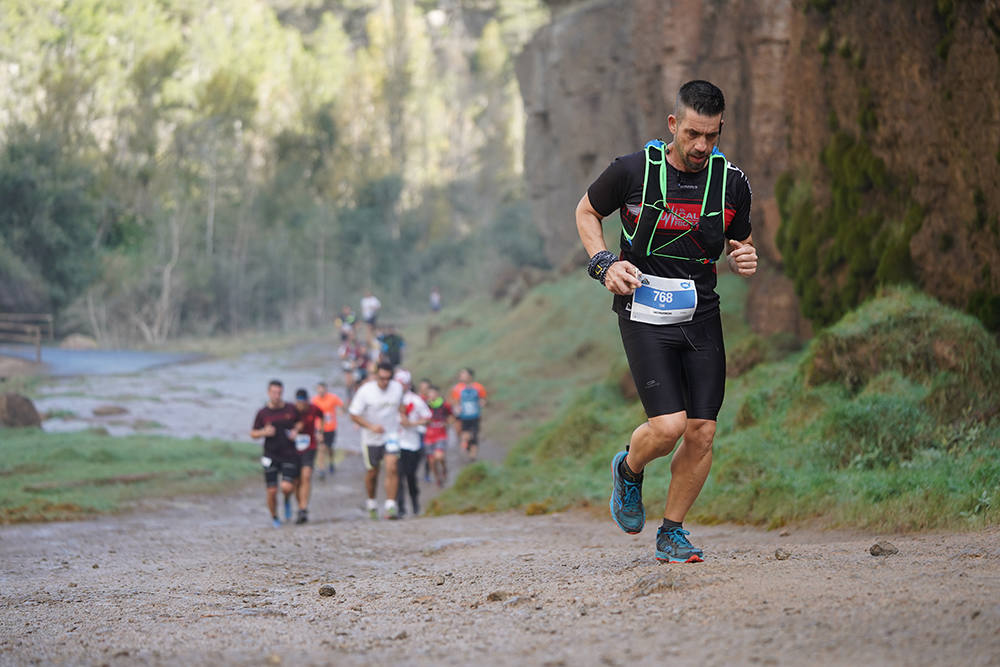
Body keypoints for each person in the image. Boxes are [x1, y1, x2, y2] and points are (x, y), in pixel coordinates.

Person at [575, 80, 757, 563]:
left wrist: (743, 256)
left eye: (711, 136)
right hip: (643, 307)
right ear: (673, 125)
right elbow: (587, 211)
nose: (701, 146)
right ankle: (630, 470)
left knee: (702, 430)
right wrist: (604, 263)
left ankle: (672, 532)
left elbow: (741, 239)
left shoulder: (732, 182)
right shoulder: (631, 170)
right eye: (693, 133)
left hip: (701, 312)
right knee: (670, 425)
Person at [348, 361, 405, 520]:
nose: (385, 382)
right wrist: (371, 426)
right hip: (371, 438)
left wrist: (403, 420)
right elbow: (353, 415)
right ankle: (372, 502)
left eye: (388, 378)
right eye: (381, 378)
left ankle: (390, 505)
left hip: (391, 435)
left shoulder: (397, 388)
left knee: (392, 466)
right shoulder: (366, 391)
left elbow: (401, 407)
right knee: (373, 472)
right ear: (376, 375)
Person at [250, 380, 301, 527]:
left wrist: (296, 430)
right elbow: (253, 433)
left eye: (279, 393)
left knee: (286, 487)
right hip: (270, 455)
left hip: (289, 454)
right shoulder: (262, 413)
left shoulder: (290, 408)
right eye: (274, 393)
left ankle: (286, 500)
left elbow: (300, 422)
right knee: (271, 491)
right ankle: (274, 517)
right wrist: (263, 432)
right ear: (268, 393)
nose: (277, 396)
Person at [395, 369, 431, 517]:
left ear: (408, 384)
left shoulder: (415, 400)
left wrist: (412, 423)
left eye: (402, 384)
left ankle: (415, 504)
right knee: (397, 475)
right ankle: (400, 508)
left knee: (410, 476)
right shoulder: (390, 400)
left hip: (413, 444)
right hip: (396, 443)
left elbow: (428, 417)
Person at [292, 388, 323, 524]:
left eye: (303, 402)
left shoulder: (314, 409)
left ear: (307, 401)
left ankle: (303, 508)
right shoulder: (291, 411)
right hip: (293, 449)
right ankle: (300, 506)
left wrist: (319, 431)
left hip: (309, 446)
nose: (301, 405)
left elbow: (321, 415)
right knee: (296, 481)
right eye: (299, 402)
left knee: (306, 475)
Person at [450, 368, 487, 462]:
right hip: (463, 417)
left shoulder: (478, 387)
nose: (461, 375)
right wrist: (456, 410)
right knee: (465, 435)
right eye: (461, 373)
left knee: (474, 437)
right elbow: (454, 402)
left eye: (463, 373)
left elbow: (483, 399)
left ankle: (472, 458)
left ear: (470, 376)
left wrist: (482, 403)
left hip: (475, 416)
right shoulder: (457, 388)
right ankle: (467, 448)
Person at [311, 382, 344, 480]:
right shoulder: (314, 400)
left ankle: (331, 462)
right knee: (321, 448)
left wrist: (340, 411)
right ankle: (321, 469)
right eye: (319, 389)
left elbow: (342, 405)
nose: (321, 391)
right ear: (317, 390)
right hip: (319, 428)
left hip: (331, 427)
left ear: (326, 389)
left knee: (329, 449)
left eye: (323, 389)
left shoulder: (332, 398)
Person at [424, 385, 453, 487]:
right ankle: (437, 478)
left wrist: (447, 423)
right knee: (431, 461)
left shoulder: (444, 405)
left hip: (441, 434)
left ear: (437, 394)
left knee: (439, 456)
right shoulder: (424, 406)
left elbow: (451, 415)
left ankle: (444, 468)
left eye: (433, 393)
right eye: (429, 394)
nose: (431, 396)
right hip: (428, 436)